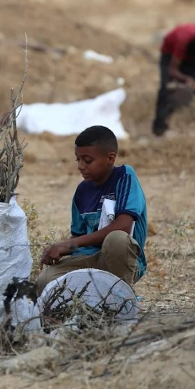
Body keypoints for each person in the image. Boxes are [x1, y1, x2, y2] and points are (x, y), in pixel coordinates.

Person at [36, 126, 148, 293]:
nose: (80, 166)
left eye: (87, 160)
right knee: (45, 282)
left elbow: (123, 227)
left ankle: (121, 298)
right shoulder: (82, 191)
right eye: (78, 159)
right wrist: (62, 249)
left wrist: (69, 243)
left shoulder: (124, 176)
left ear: (110, 158)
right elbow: (79, 237)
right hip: (88, 258)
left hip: (119, 259)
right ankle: (90, 298)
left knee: (117, 239)